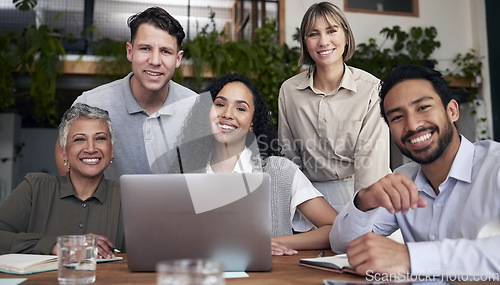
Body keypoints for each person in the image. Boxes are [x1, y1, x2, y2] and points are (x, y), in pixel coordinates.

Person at [330, 65, 500, 279]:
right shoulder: (403, 179)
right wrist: (364, 201)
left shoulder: (495, 168)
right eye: (398, 117)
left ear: (452, 111)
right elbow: (343, 245)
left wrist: (412, 258)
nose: (412, 125)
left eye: (422, 108)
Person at [170, 73, 338, 256]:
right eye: (220, 104)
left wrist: (268, 243)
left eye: (240, 109)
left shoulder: (279, 171)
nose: (227, 114)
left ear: (252, 124)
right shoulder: (183, 173)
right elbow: (165, 234)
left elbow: (334, 228)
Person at [55, 6, 198, 180]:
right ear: (130, 52)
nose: (154, 61)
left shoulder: (196, 108)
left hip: (176, 207)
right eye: (145, 48)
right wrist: (88, 200)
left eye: (165, 51)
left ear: (178, 59)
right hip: (109, 207)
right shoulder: (91, 103)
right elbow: (63, 152)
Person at [277, 2, 390, 214]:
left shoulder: (372, 89)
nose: (323, 41)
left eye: (331, 31)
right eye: (313, 34)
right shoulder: (289, 90)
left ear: (346, 37)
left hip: (362, 194)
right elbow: (290, 157)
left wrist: (361, 214)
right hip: (309, 197)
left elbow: (372, 164)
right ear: (305, 43)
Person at [0, 103, 124, 259]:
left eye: (100, 138)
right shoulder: (35, 187)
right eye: (79, 139)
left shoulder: (128, 197)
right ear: (64, 151)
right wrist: (57, 245)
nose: (91, 148)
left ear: (111, 150)